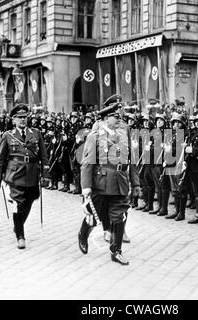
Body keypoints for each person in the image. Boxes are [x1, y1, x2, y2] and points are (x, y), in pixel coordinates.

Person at [77, 94, 140, 265]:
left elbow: (131, 159)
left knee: (119, 216)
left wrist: (135, 183)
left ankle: (116, 251)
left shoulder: (124, 132)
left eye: (119, 116)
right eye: (115, 116)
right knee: (92, 214)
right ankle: (83, 234)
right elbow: (87, 163)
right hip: (100, 183)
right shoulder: (95, 135)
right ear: (105, 118)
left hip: (120, 181)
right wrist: (86, 187)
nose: (119, 119)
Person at [0, 104, 49, 249]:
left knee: (31, 199)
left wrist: (46, 174)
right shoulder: (7, 135)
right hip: (15, 174)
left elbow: (43, 155)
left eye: (25, 117)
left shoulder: (36, 133)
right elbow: (0, 160)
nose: (23, 120)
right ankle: (20, 236)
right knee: (18, 203)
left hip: (32, 173)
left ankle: (18, 225)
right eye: (19, 118)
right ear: (13, 120)